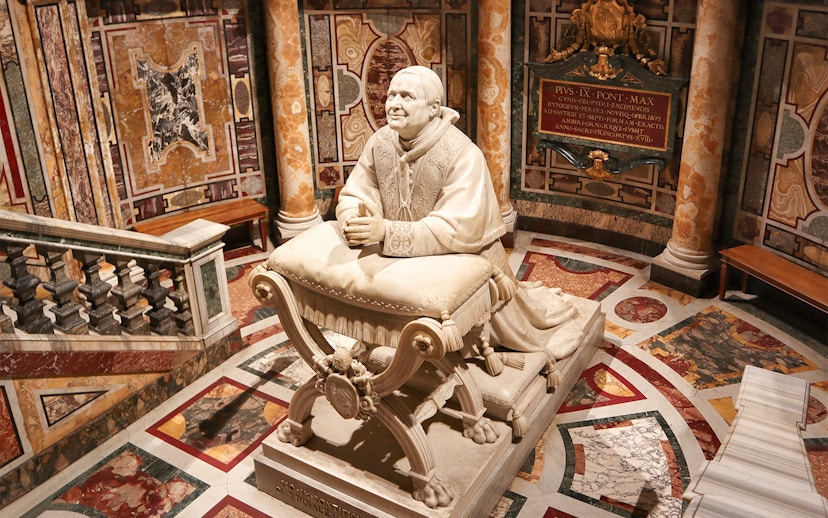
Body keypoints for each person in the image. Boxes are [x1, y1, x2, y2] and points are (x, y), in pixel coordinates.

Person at [336, 66, 581, 361]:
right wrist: (355, 219)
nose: (394, 104)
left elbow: (456, 229)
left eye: (406, 96)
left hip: (461, 260)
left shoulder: (463, 154)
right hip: (398, 259)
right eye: (391, 95)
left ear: (433, 108)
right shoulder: (381, 141)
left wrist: (387, 232)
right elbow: (357, 192)